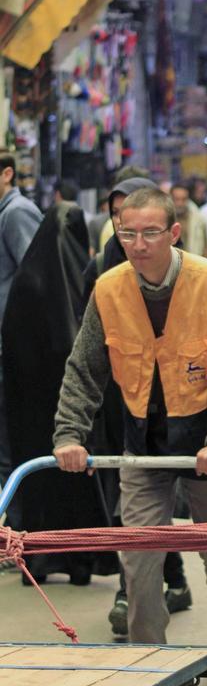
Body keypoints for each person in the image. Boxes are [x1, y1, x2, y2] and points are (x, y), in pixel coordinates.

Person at [53, 187, 207, 667]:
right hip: (142, 446)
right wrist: (69, 435)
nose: (138, 243)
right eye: (128, 233)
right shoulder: (109, 290)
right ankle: (150, 665)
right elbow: (84, 371)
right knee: (139, 559)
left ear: (174, 232)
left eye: (149, 233)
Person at [82, 178, 194, 635]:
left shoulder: (190, 276)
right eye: (117, 219)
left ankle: (176, 580)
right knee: (130, 504)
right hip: (117, 404)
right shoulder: (102, 274)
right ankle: (132, 591)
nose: (131, 237)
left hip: (171, 407)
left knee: (172, 506)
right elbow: (85, 351)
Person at [2, 201, 116, 585]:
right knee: (71, 484)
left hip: (32, 410)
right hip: (65, 412)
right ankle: (79, 560)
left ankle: (42, 559)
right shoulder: (64, 280)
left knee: (41, 483)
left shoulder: (30, 280)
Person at [0, 150, 42, 508]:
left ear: (7, 174)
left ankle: (12, 532)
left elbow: (36, 279)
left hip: (11, 346)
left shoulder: (16, 213)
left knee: (7, 446)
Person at [171, 182, 207, 256]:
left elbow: (205, 246)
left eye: (183, 199)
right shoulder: (164, 220)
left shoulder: (198, 220)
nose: (180, 203)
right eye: (176, 199)